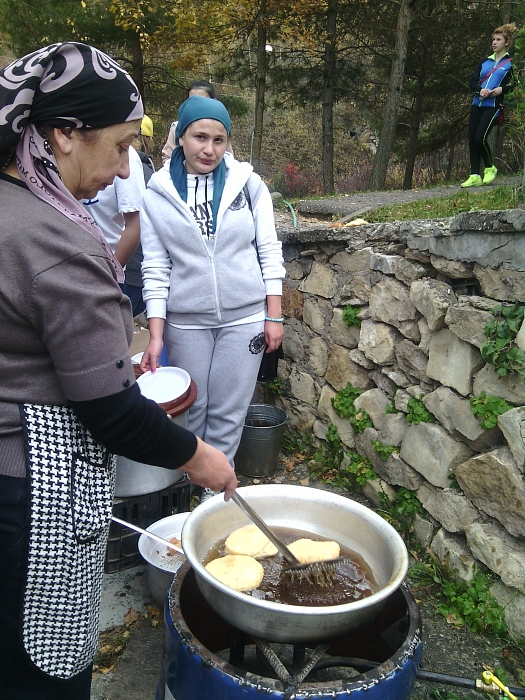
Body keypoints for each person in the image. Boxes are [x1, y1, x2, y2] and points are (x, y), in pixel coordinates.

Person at [0, 43, 236, 700]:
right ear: (64, 134)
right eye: (121, 145)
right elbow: (109, 410)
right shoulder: (51, 239)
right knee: (41, 670)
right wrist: (199, 457)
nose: (126, 167)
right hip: (31, 494)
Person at [140, 95, 285, 502]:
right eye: (200, 137)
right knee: (194, 409)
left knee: (229, 412)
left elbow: (269, 250)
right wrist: (156, 335)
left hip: (245, 318)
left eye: (219, 140)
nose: (209, 149)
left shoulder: (248, 184)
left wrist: (274, 315)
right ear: (181, 137)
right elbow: (155, 266)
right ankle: (188, 486)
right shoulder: (158, 193)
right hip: (186, 321)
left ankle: (213, 497)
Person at [461, 23, 517, 188]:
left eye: (498, 39)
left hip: (493, 106)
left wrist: (502, 89)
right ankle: (474, 175)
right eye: (493, 39)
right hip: (477, 104)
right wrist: (480, 90)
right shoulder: (484, 62)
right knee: (472, 140)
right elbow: (472, 82)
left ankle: (490, 167)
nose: (494, 42)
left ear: (506, 42)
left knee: (480, 138)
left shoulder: (510, 64)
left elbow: (516, 84)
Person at [121, 114, 156, 317]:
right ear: (148, 140)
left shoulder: (108, 164)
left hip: (122, 269)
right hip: (135, 272)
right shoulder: (151, 175)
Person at [162, 79, 233, 163]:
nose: (209, 150)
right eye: (200, 137)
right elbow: (167, 156)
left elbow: (229, 158)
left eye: (217, 140)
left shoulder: (221, 127)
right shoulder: (177, 126)